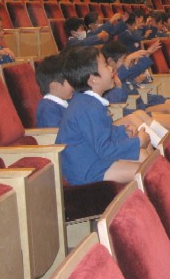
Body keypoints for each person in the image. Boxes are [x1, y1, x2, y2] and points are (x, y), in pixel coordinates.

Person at [56, 46, 151, 185]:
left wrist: (123, 132)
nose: (111, 69)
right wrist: (138, 142)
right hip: (86, 169)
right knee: (147, 172)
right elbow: (104, 149)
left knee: (143, 155)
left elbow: (102, 132)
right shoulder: (88, 107)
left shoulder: (88, 101)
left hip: (93, 157)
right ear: (93, 80)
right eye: (105, 65)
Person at [35, 54, 74, 128]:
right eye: (70, 81)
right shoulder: (48, 109)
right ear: (54, 86)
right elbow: (56, 133)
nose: (74, 85)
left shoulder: (66, 100)